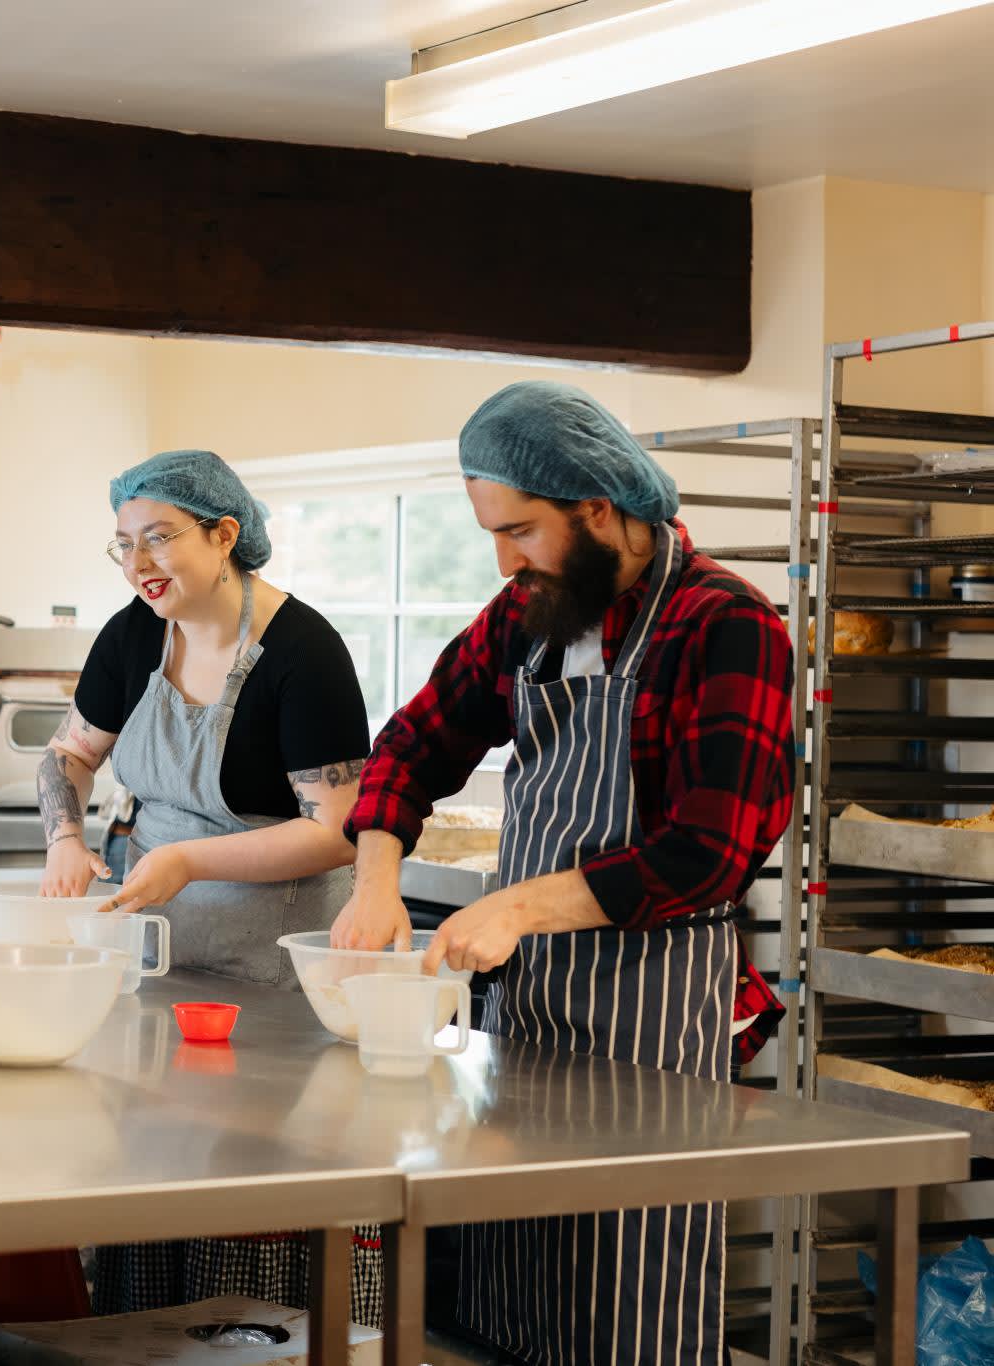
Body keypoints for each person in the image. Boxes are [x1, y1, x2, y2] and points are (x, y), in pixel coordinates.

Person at [334, 381, 794, 1365]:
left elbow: (705, 853)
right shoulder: (528, 615)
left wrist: (520, 904)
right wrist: (374, 877)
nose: (502, 560)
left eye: (519, 531)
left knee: (625, 1303)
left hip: (651, 1027)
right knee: (509, 1286)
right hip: (527, 1015)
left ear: (594, 510)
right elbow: (412, 741)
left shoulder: (725, 625)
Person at [39, 448, 380, 1325]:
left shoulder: (303, 652)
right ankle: (143, 1338)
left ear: (226, 535)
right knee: (151, 1158)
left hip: (271, 975)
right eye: (122, 544)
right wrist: (66, 839)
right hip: (157, 959)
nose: (138, 563)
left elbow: (334, 833)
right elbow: (70, 754)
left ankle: (260, 1340)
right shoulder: (131, 634)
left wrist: (189, 861)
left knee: (248, 1178)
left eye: (159, 538)